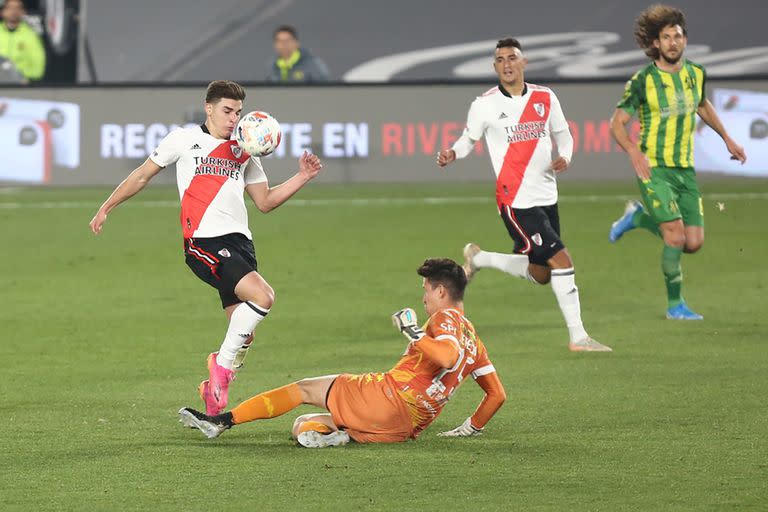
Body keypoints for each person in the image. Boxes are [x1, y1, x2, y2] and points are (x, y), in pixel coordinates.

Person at [89, 80, 323, 415]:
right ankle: (220, 372)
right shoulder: (183, 139)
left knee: (244, 332)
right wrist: (107, 206)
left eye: (238, 112)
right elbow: (142, 175)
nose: (233, 119)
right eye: (228, 111)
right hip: (203, 242)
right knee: (263, 296)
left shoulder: (244, 150)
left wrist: (302, 176)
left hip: (241, 245)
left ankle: (210, 386)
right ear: (208, 107)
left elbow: (266, 202)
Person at [179, 258, 506, 447]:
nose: (424, 300)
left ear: (441, 291)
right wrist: (470, 427)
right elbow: (496, 395)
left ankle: (222, 421)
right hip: (405, 428)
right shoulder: (474, 341)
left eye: (426, 292)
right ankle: (343, 434)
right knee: (303, 425)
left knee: (303, 388)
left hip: (388, 398)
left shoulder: (444, 318)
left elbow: (446, 357)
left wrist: (412, 329)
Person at [436, 38, 611, 353]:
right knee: (562, 260)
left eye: (512, 58)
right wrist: (453, 153)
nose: (506, 64)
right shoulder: (485, 104)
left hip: (547, 194)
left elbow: (563, 135)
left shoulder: (545, 96)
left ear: (523, 62)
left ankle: (479, 258)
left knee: (541, 273)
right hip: (515, 200)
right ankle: (579, 337)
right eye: (500, 59)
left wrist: (566, 157)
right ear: (495, 67)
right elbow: (468, 139)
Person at [609, 5, 746, 320]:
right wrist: (633, 151)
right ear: (655, 43)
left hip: (685, 169)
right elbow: (617, 123)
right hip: (654, 168)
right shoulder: (643, 81)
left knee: (693, 242)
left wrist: (728, 138)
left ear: (685, 40)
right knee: (674, 235)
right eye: (666, 37)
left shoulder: (696, 73)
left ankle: (638, 219)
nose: (673, 42)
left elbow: (702, 104)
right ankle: (675, 306)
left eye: (678, 36)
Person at [265, 25, 330, 83]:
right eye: (279, 41)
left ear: (296, 43)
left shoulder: (313, 64)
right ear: (275, 45)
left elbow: (323, 90)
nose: (283, 44)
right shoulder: (272, 66)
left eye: (287, 40)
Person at [0, 0, 45, 82]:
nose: (13, 11)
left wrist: (20, 75)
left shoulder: (31, 35)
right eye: (9, 8)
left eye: (17, 8)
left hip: (19, 85)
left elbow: (38, 68)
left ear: (23, 12)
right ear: (2, 12)